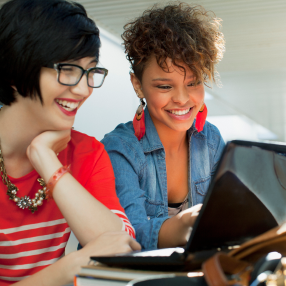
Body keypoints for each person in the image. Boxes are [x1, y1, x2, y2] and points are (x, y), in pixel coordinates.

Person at [0, 0, 141, 285]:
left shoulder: (86, 152)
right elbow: (91, 259)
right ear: (16, 72)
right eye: (67, 69)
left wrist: (46, 160)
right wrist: (70, 267)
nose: (83, 89)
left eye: (90, 71)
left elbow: (120, 250)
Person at [102, 3, 225, 250]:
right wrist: (182, 226)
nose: (181, 99)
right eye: (165, 86)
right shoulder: (119, 149)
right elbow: (126, 238)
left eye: (193, 83)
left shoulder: (210, 140)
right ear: (137, 85)